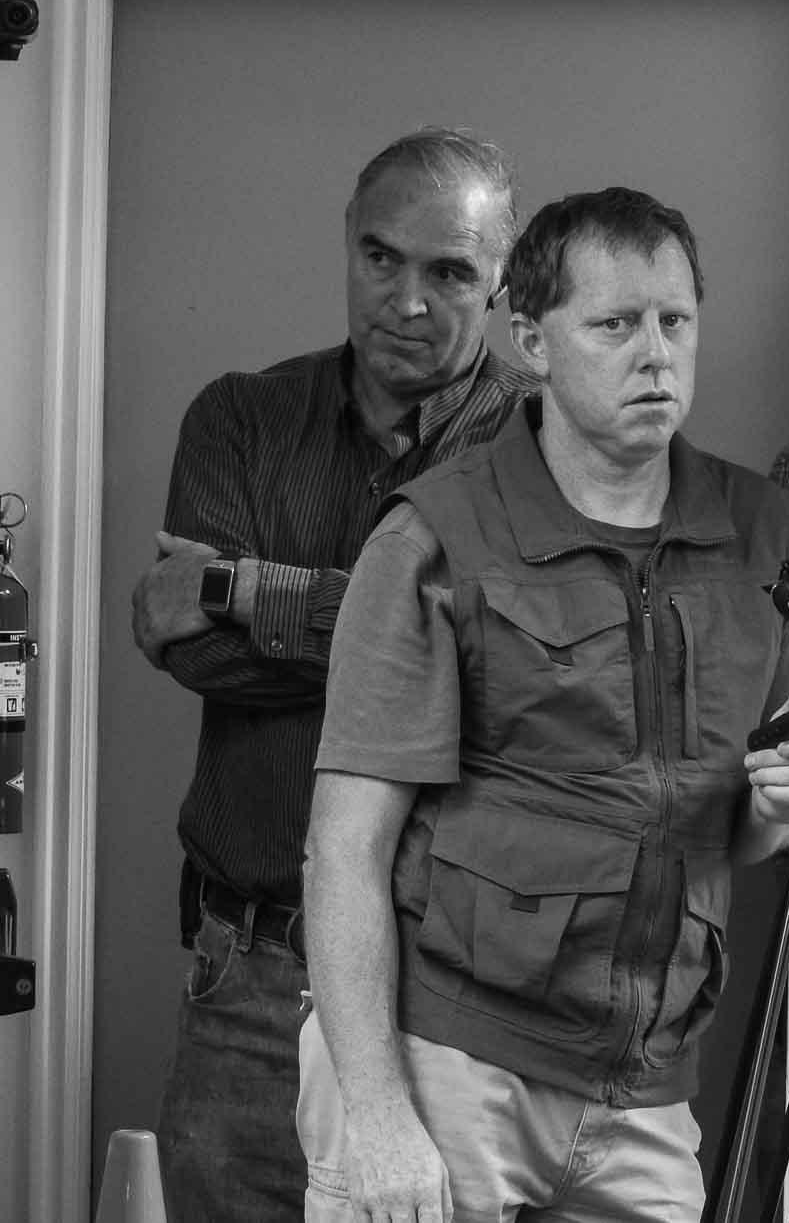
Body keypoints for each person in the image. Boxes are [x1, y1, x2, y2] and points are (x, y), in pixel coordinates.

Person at [299, 186, 789, 1222]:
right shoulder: (436, 539)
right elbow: (344, 850)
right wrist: (375, 1111)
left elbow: (735, 828)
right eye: (614, 324)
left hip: (644, 1093)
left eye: (674, 321)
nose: (655, 355)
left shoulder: (764, 536)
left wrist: (772, 807)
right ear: (532, 340)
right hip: (449, 1060)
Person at [129, 126, 537, 1220]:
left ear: (501, 285)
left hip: (454, 995)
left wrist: (251, 589)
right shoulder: (240, 418)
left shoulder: (543, 450)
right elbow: (189, 643)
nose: (408, 301)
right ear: (348, 250)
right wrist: (416, 627)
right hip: (247, 979)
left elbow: (505, 680)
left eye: (450, 271)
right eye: (381, 259)